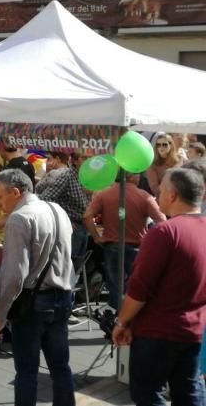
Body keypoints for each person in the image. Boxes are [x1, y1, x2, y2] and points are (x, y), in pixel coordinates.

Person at [112, 167, 206, 406]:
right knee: (189, 391)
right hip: (193, 329)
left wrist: (122, 322)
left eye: (161, 190)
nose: (157, 195)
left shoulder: (164, 232)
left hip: (157, 332)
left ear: (172, 195)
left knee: (148, 393)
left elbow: (139, 288)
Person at [0, 169, 75, 406]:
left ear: (15, 192)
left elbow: (14, 277)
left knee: (26, 372)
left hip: (34, 304)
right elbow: (59, 253)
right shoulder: (57, 210)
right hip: (63, 296)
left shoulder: (19, 218)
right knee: (61, 367)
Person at [82, 172, 166, 309]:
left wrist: (97, 237)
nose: (140, 178)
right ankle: (132, 317)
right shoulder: (144, 196)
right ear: (131, 177)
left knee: (114, 285)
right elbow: (162, 221)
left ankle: (118, 317)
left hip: (112, 246)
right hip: (137, 247)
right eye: (137, 174)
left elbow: (87, 216)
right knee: (137, 285)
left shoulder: (104, 194)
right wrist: (152, 239)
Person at [36, 151, 90, 259]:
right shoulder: (67, 176)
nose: (89, 161)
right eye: (84, 158)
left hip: (83, 228)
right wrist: (65, 220)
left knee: (76, 265)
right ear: (74, 161)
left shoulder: (87, 176)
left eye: (91, 158)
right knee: (68, 266)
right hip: (70, 230)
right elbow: (45, 199)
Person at [145, 132, 181, 196]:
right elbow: (155, 189)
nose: (161, 147)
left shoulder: (180, 159)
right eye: (158, 145)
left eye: (164, 144)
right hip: (164, 197)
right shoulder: (152, 164)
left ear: (171, 146)